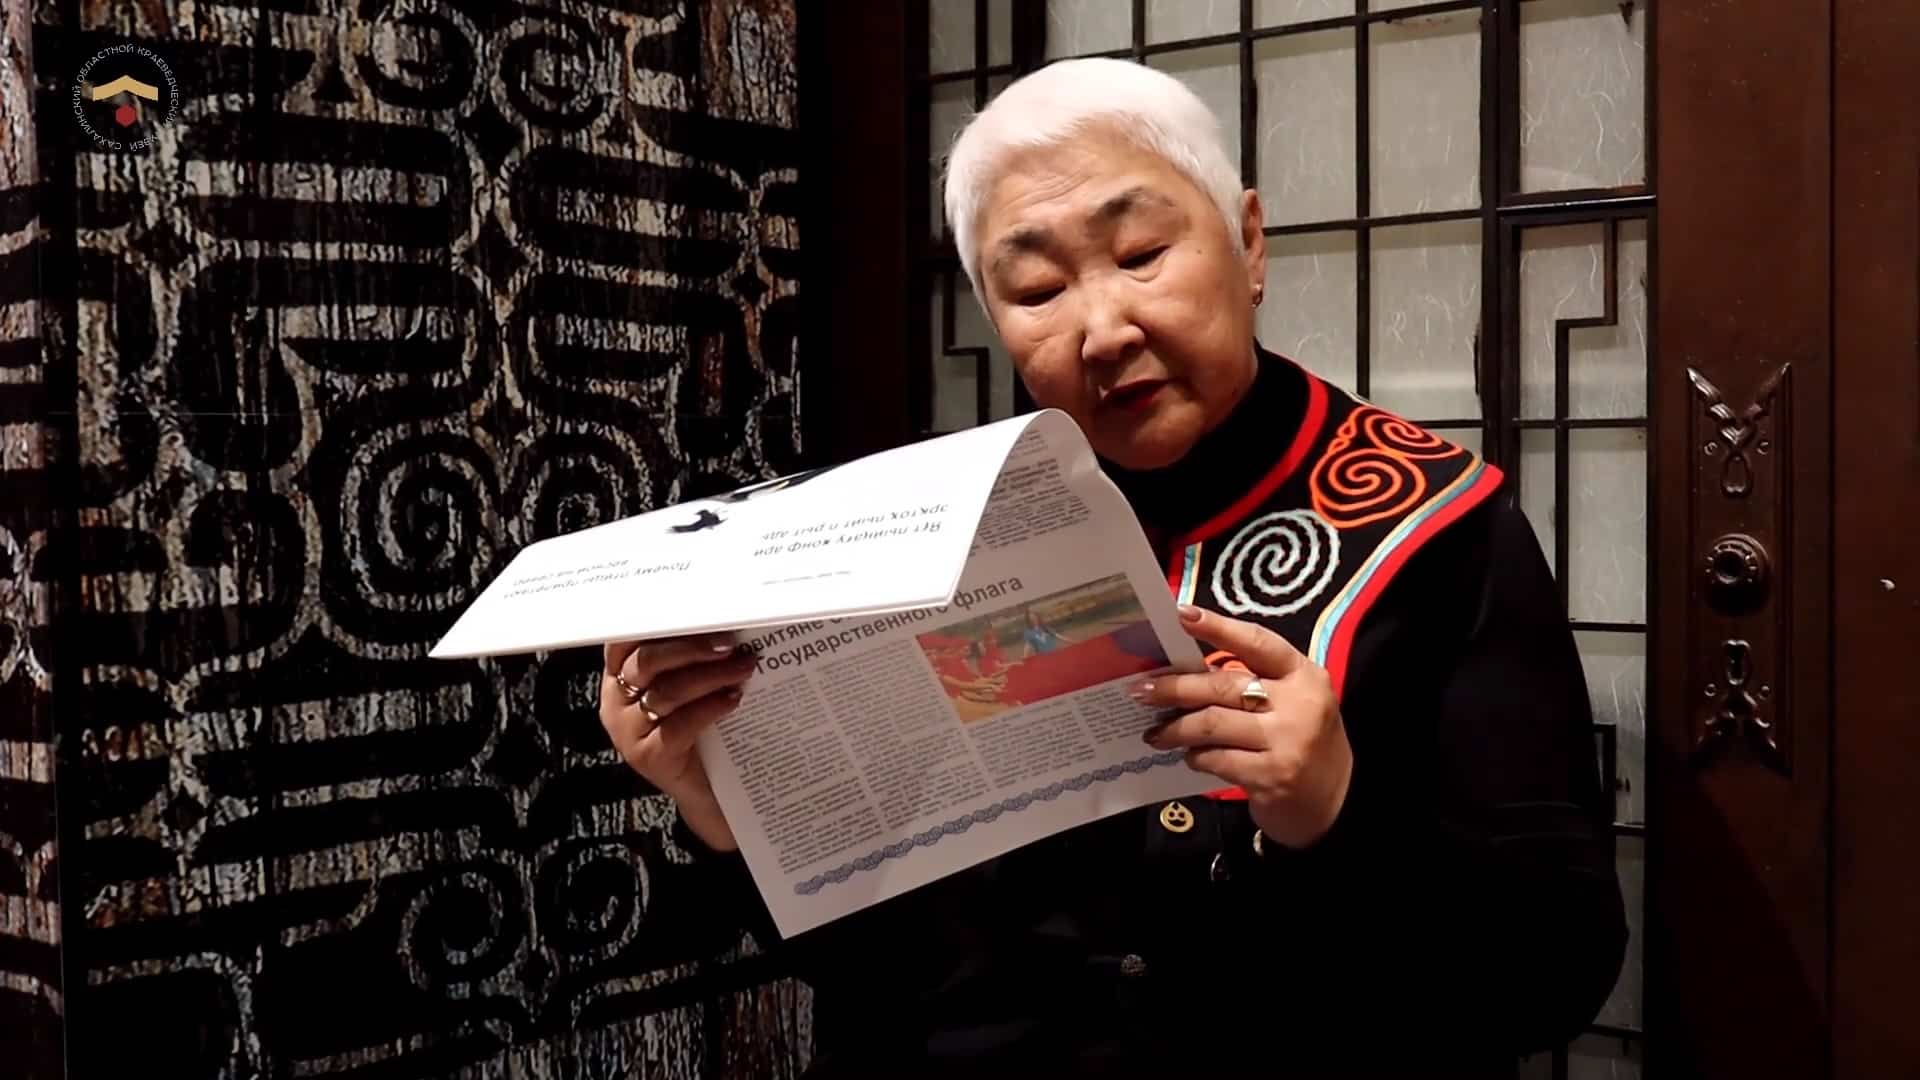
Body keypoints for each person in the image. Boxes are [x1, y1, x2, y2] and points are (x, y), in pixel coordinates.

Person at [599, 58, 1625, 1077]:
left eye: (1141, 254)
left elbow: (1556, 971)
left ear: (1249, 242)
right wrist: (727, 810)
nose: (1101, 331)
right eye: (1038, 289)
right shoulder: (929, 534)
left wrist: (1331, 812)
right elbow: (884, 973)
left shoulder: (1437, 525)